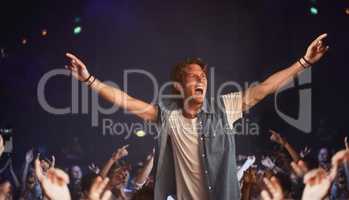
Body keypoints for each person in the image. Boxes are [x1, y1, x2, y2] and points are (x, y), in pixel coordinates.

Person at [65, 34, 329, 200]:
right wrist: (89, 80)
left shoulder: (224, 108)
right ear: (180, 85)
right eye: (194, 75)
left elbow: (265, 88)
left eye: (203, 75)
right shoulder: (167, 115)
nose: (202, 78)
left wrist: (304, 62)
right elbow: (126, 101)